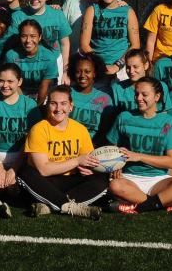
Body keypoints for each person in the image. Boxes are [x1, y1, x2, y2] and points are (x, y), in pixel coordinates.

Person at [105, 77, 172, 214]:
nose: (139, 98)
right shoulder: (124, 117)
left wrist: (139, 157)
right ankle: (166, 203)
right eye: (136, 94)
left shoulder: (169, 122)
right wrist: (114, 166)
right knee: (114, 186)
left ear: (157, 97)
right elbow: (110, 149)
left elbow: (171, 162)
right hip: (129, 179)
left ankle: (140, 207)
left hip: (159, 180)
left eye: (144, 94)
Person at [16, 85, 108, 219]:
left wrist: (88, 168)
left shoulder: (80, 130)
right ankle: (70, 206)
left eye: (63, 103)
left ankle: (50, 206)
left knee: (102, 178)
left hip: (71, 180)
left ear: (71, 106)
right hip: (47, 182)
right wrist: (77, 161)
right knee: (25, 172)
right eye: (53, 104)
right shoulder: (39, 129)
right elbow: (43, 170)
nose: (58, 109)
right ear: (48, 106)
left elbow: (88, 161)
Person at [0, 63, 41, 198]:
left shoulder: (30, 105)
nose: (5, 85)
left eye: (10, 81)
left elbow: (31, 140)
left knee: (16, 191)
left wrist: (14, 169)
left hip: (21, 157)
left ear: (20, 81)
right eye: (1, 81)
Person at [11, 0, 71, 84]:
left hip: (53, 63)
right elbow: (14, 45)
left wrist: (65, 72)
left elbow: (65, 44)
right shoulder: (18, 16)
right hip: (26, 63)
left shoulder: (57, 14)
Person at [80, 0, 140, 75]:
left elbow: (135, 45)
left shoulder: (128, 11)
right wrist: (100, 65)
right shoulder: (92, 10)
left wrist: (117, 66)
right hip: (96, 66)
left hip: (122, 66)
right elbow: (84, 45)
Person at [4, 20, 58, 104]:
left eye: (33, 36)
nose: (28, 40)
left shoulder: (49, 57)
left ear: (39, 37)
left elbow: (45, 86)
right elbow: (14, 83)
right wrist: (24, 105)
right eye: (24, 36)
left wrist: (37, 109)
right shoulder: (11, 56)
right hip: (19, 92)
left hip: (43, 94)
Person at [67, 52, 117, 144]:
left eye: (87, 72)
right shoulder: (66, 93)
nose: (82, 76)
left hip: (93, 147)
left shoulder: (105, 99)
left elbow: (105, 131)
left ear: (94, 73)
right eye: (78, 72)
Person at [109, 48, 172, 115]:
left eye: (135, 67)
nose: (131, 71)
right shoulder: (117, 88)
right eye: (128, 67)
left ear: (145, 65)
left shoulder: (160, 86)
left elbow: (164, 114)